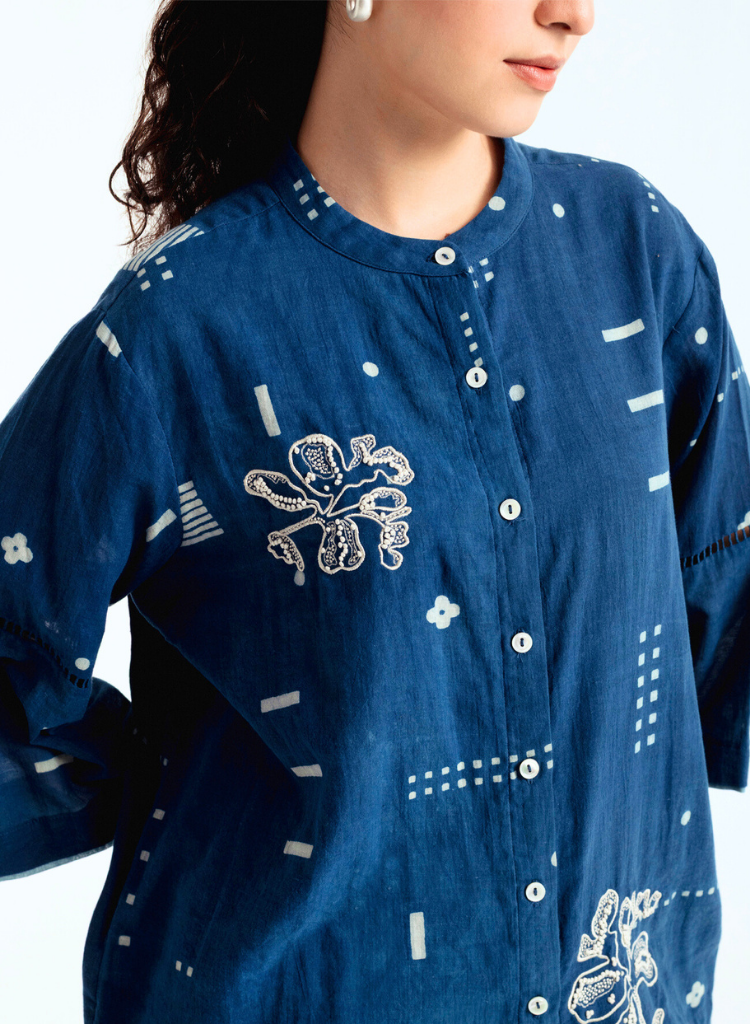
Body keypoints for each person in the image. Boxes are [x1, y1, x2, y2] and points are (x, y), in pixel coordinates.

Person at [1, 1, 748, 1022]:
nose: (573, 15)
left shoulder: (635, 258)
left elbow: (721, 616)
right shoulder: (183, 321)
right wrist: (157, 781)